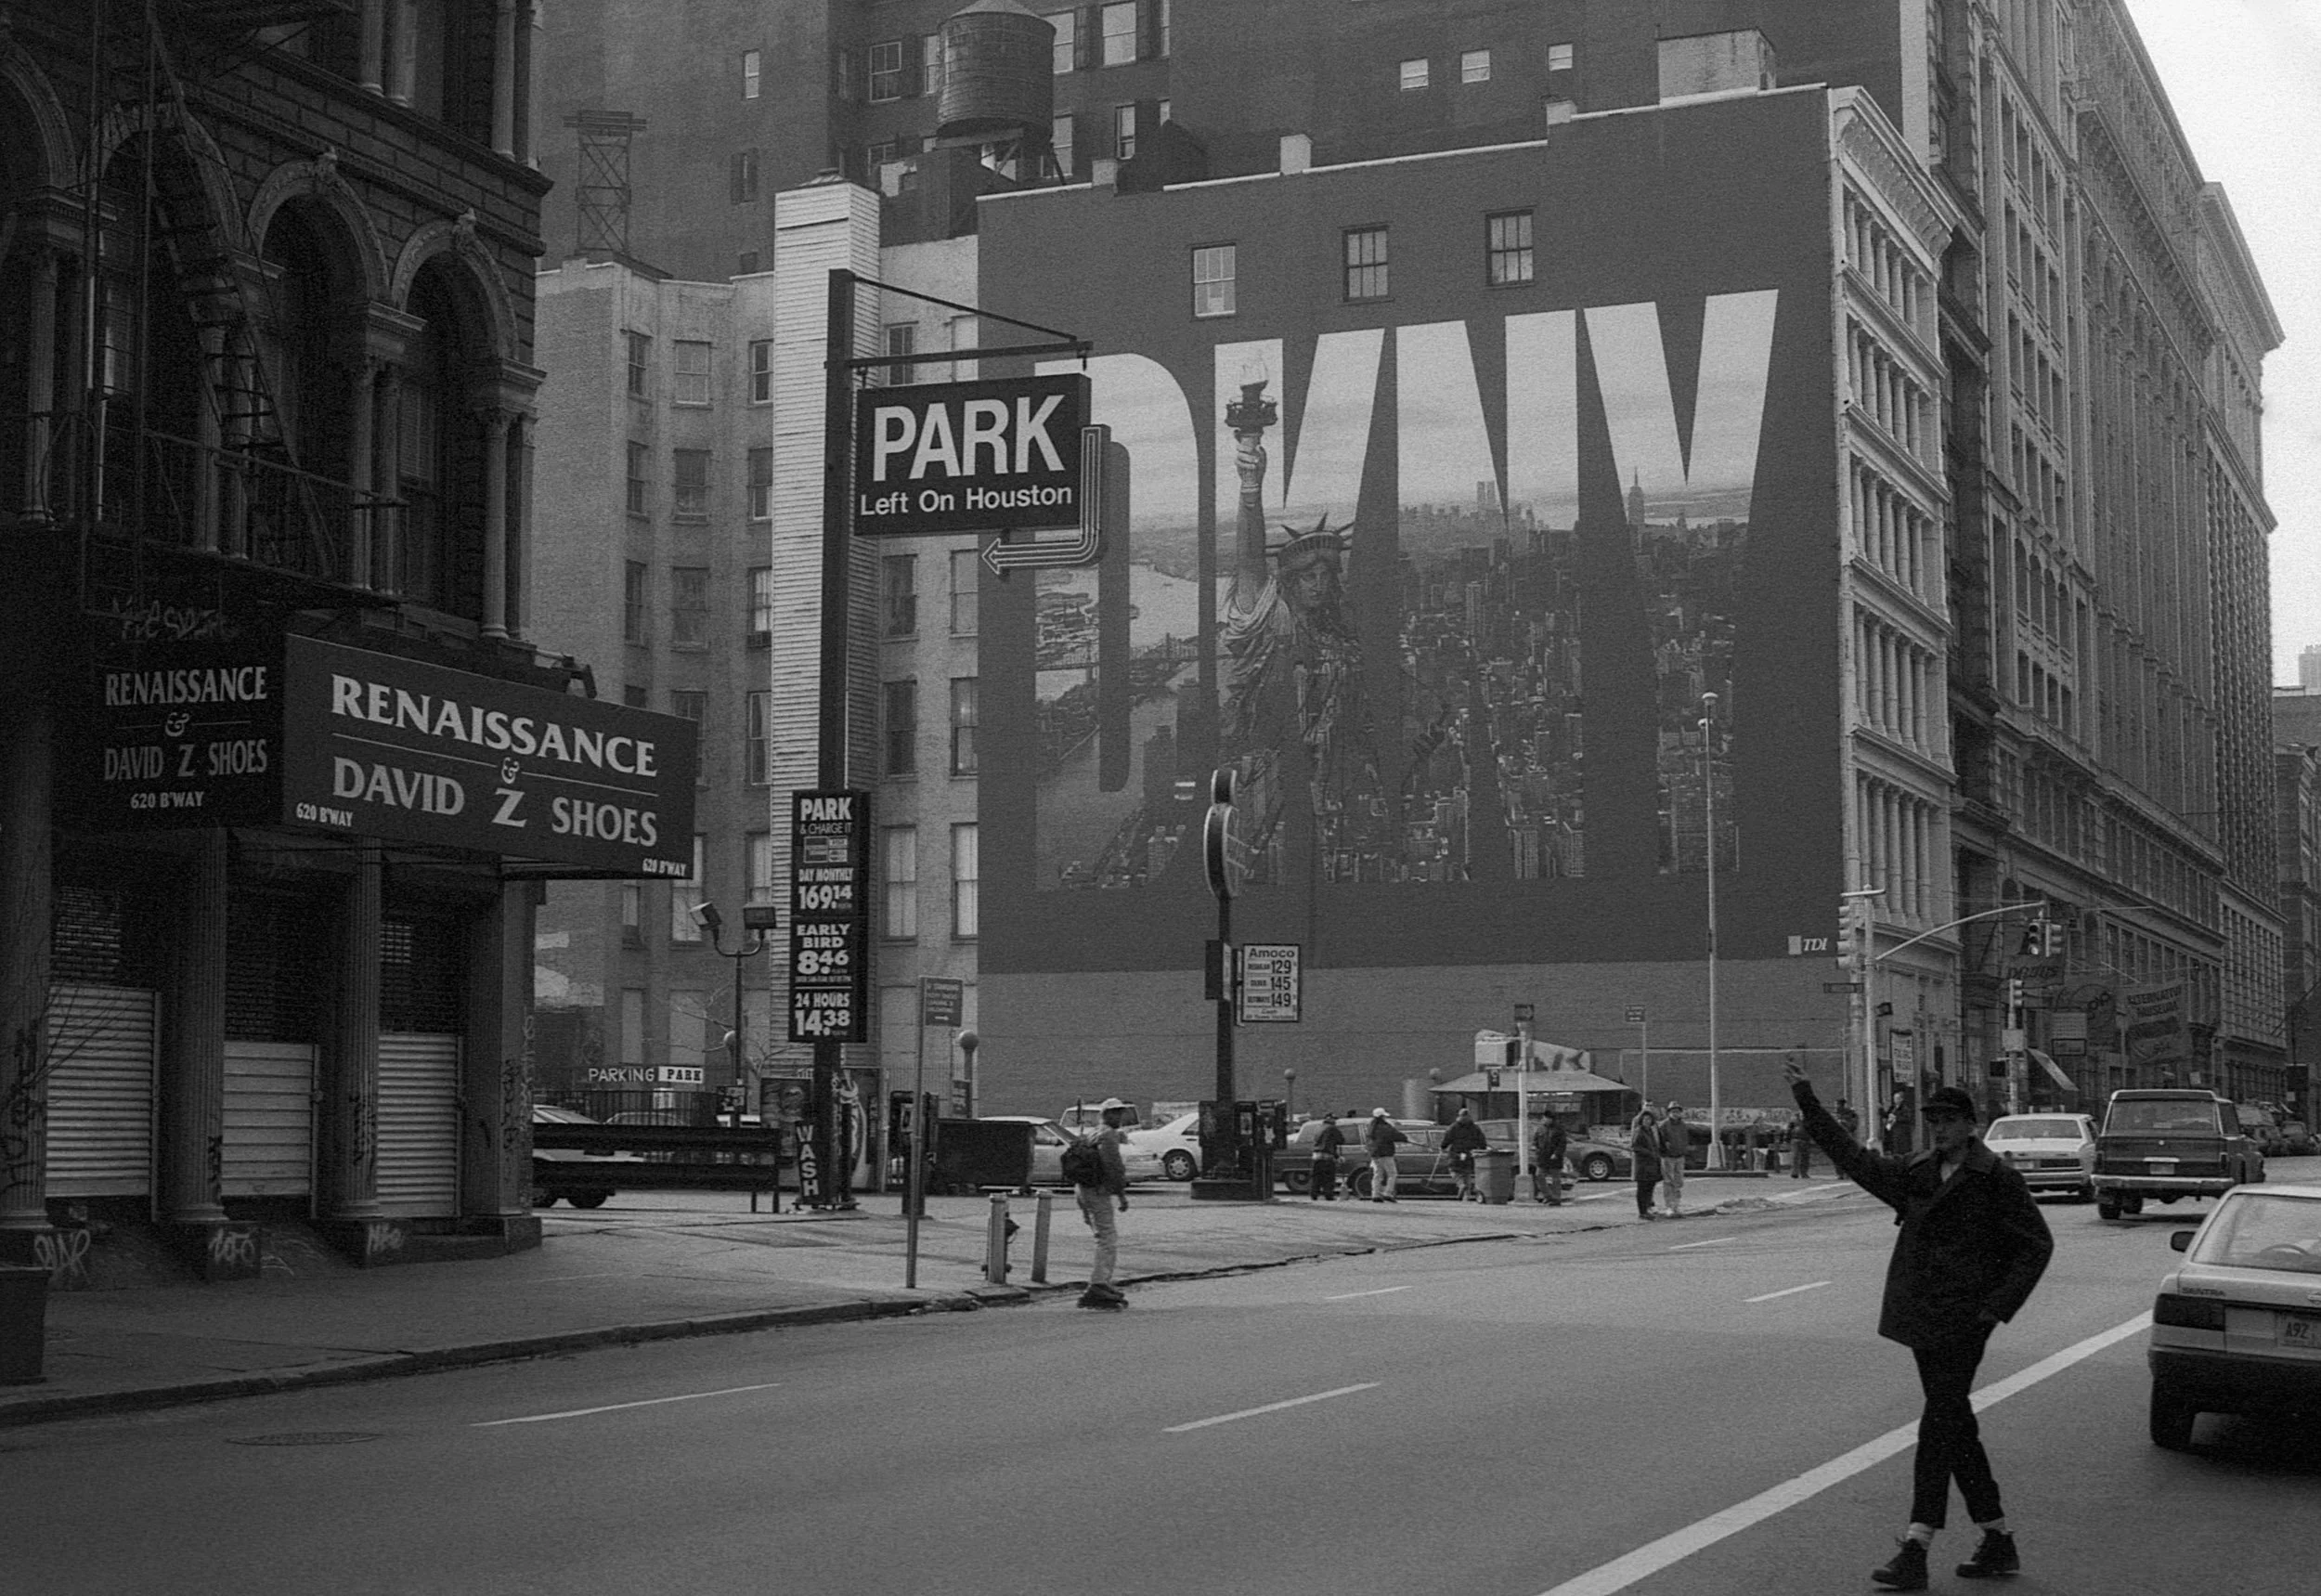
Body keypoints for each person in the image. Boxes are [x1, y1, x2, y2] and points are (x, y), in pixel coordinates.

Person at [1783, 1064, 2053, 1590]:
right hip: (1924, 1316)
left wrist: (1994, 1309)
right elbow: (1855, 1160)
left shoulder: (1996, 1178)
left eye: (1949, 1120)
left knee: (1937, 1424)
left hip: (1966, 1321)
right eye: (1934, 1121)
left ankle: (1916, 1545)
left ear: (1971, 1125)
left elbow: (2036, 1246)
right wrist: (1806, 1099)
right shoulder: (1919, 1170)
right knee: (1955, 1423)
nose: (1940, 1128)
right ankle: (1997, 1538)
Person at [1074, 1098, 1134, 1310]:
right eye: (1114, 1113)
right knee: (1107, 1238)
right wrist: (1121, 1195)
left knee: (1101, 1236)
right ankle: (1099, 1284)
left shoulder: (1093, 1133)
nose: (1119, 1117)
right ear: (1105, 1114)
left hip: (1083, 1189)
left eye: (1120, 1113)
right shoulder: (1108, 1135)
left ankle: (1102, 1282)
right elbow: (1113, 1167)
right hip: (1097, 1191)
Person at [1363, 1108, 1407, 1202]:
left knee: (1378, 1174)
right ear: (1382, 1117)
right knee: (1392, 1173)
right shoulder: (1385, 1127)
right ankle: (1388, 1193)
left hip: (1374, 1154)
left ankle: (1376, 1194)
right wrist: (1404, 1139)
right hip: (1385, 1153)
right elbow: (1397, 1135)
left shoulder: (1371, 1127)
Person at [1443, 1108, 1488, 1200]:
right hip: (1470, 1153)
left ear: (1459, 1116)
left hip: (1456, 1153)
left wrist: (1443, 1146)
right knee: (1467, 1173)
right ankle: (1467, 1196)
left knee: (1453, 1170)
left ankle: (1461, 1185)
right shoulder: (1474, 1127)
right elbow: (1482, 1140)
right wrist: (1482, 1149)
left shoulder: (1454, 1127)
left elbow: (1447, 1138)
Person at [1629, 1105, 1664, 1220]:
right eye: (1645, 1119)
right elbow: (1635, 1146)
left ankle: (1647, 1209)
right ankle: (1642, 1211)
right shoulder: (1639, 1131)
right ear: (1641, 1120)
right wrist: (1649, 1153)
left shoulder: (1650, 1131)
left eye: (1649, 1119)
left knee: (1650, 1188)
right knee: (1643, 1189)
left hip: (1652, 1164)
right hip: (1643, 1165)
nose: (1647, 1121)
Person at [1657, 1100, 1692, 1216]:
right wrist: (1664, 1149)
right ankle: (1669, 1206)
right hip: (1668, 1157)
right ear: (1669, 1113)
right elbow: (1659, 1141)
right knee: (1668, 1182)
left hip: (1680, 1156)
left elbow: (1685, 1139)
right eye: (1673, 1111)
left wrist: (1684, 1150)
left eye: (1677, 1111)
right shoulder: (1664, 1125)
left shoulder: (1683, 1125)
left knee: (1678, 1182)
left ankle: (1676, 1206)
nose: (1676, 1114)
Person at [1532, 1114, 1567, 1205]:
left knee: (1555, 1179)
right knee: (1539, 1176)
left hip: (1554, 1158)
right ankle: (1548, 1196)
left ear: (1551, 1119)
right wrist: (1535, 1147)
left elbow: (1562, 1144)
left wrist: (1556, 1154)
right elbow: (1535, 1140)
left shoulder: (1559, 1129)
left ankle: (1556, 1199)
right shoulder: (1540, 1129)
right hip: (1542, 1157)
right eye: (1543, 1118)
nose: (1544, 1120)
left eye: (1546, 1118)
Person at [1310, 1111, 1345, 1200]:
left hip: (1316, 1155)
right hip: (1327, 1156)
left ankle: (1314, 1194)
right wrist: (1337, 1156)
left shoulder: (1318, 1127)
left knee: (1316, 1177)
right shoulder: (1332, 1128)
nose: (1335, 1121)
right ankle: (1328, 1195)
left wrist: (1337, 1156)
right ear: (1329, 1119)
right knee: (1328, 1177)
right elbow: (1340, 1140)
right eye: (1334, 1119)